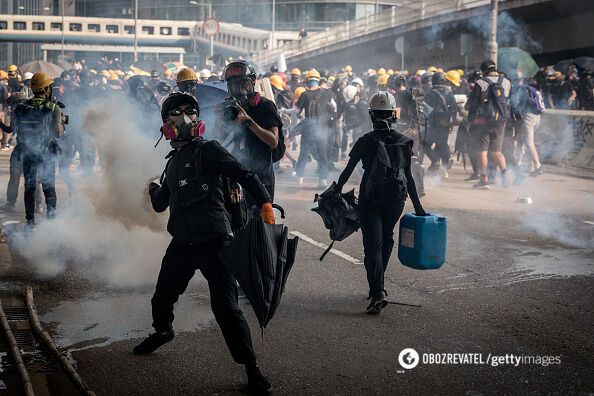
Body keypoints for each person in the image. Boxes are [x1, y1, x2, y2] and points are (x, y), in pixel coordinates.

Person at [134, 92, 274, 394]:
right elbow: (161, 205)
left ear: (199, 120)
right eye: (177, 112)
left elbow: (244, 173)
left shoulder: (209, 150)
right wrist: (153, 190)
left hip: (216, 242)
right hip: (182, 243)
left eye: (191, 111)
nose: (185, 117)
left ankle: (252, 369)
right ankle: (164, 330)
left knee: (226, 309)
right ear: (165, 124)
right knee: (162, 297)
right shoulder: (172, 162)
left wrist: (265, 203)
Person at [334, 91, 426, 314]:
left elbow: (347, 170)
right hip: (396, 200)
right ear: (394, 115)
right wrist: (418, 207)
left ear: (371, 116)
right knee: (387, 238)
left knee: (372, 245)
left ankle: (377, 290)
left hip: (370, 199)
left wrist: (336, 191)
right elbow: (410, 177)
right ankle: (379, 284)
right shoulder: (405, 142)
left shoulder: (365, 141)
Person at [223, 61, 282, 206]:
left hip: (262, 177)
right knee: (239, 221)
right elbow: (220, 138)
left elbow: (273, 141)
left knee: (261, 224)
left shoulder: (265, 106)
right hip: (239, 176)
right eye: (234, 86)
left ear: (253, 82)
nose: (239, 90)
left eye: (243, 84)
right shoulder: (232, 110)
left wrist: (248, 121)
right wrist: (220, 120)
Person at [12, 72, 65, 228]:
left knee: (30, 187)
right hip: (47, 153)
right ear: (46, 89)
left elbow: (15, 129)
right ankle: (51, 221)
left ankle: (30, 222)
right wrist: (61, 123)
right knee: (48, 186)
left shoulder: (22, 107)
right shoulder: (53, 107)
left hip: (28, 153)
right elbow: (58, 133)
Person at [467, 60, 511, 188]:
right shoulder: (507, 82)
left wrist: (470, 121)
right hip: (500, 122)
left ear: (484, 71)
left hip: (483, 122)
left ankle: (484, 180)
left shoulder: (480, 83)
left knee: (483, 150)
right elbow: (508, 102)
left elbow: (473, 104)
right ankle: (505, 175)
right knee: (496, 151)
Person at [425, 71, 456, 177]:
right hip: (446, 123)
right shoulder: (449, 93)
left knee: (425, 144)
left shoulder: (430, 93)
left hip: (434, 124)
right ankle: (445, 160)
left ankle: (437, 161)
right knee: (442, 142)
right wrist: (450, 123)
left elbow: (426, 110)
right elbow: (454, 110)